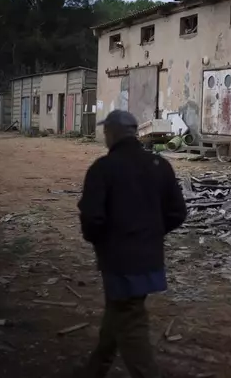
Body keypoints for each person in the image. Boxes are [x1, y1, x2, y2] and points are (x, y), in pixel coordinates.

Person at [77, 110, 187, 378]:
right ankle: (94, 370)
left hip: (119, 261)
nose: (105, 137)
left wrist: (104, 241)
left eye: (106, 132)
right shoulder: (159, 166)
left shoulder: (103, 169)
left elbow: (92, 218)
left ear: (113, 133)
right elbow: (177, 213)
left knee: (130, 320)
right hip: (149, 258)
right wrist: (151, 234)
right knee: (120, 311)